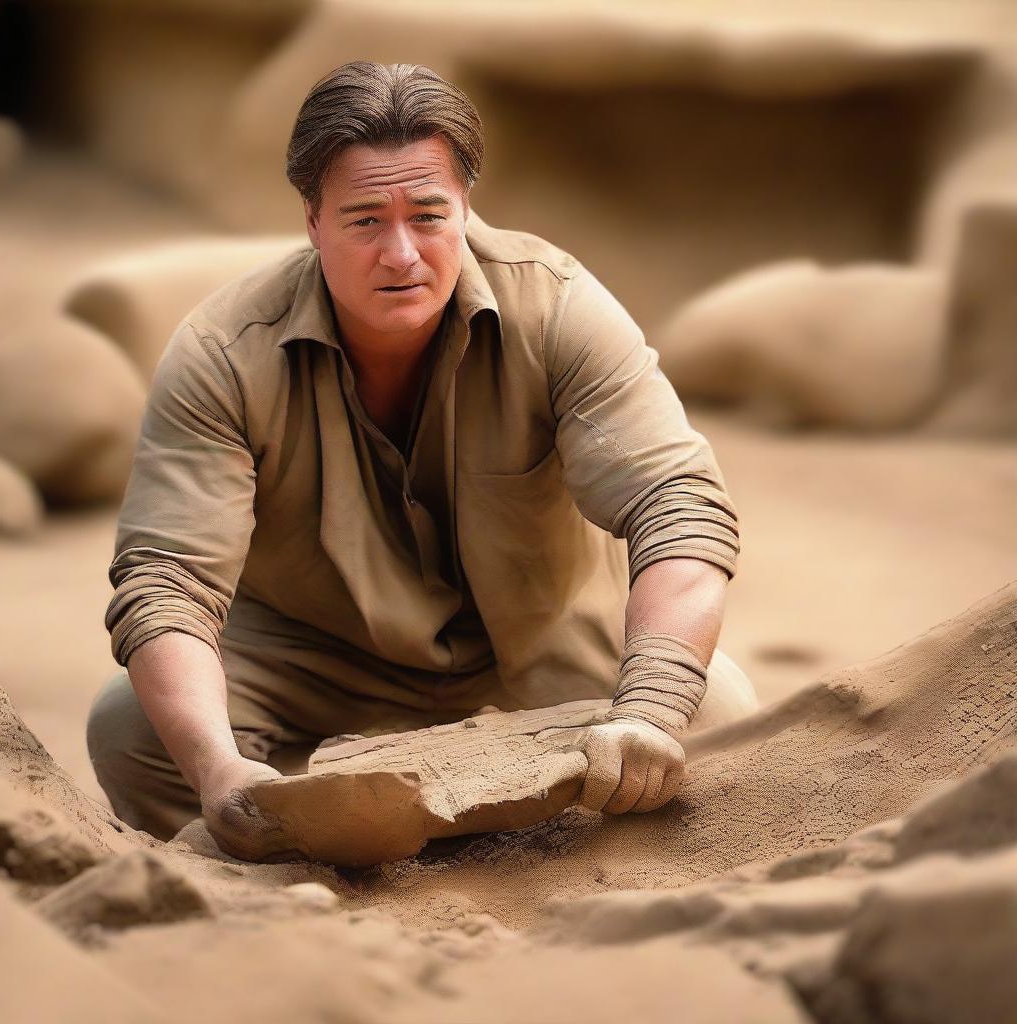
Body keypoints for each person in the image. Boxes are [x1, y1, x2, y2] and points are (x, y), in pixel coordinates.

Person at [87, 61, 756, 861]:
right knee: (132, 729)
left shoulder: (559, 308)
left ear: (467, 206)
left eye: (429, 215)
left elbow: (678, 505)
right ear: (311, 219)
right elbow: (166, 581)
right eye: (365, 220)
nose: (401, 254)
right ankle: (300, 841)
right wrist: (218, 767)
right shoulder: (223, 353)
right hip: (314, 664)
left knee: (719, 712)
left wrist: (647, 709)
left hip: (539, 652)